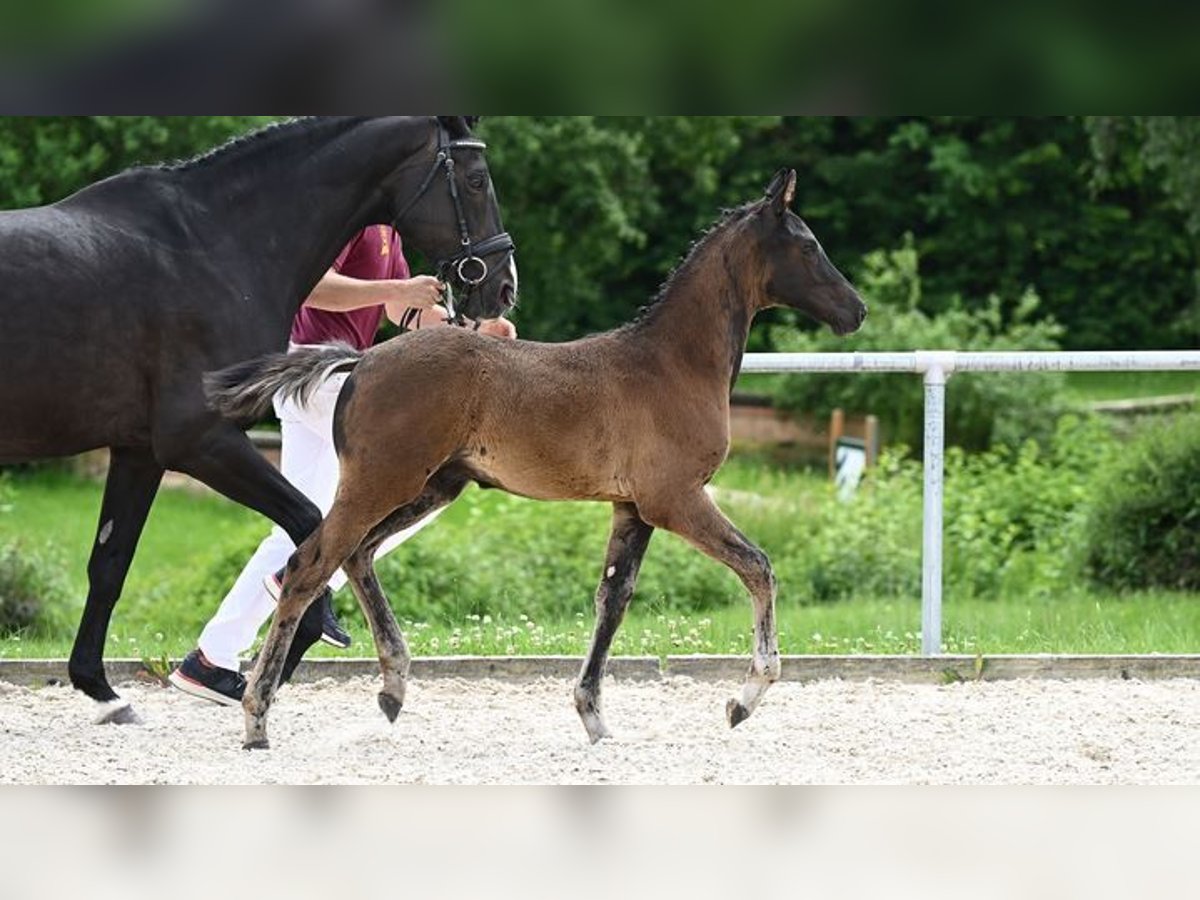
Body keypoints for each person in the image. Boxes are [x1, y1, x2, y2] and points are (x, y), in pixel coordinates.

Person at [169, 225, 516, 705]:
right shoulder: (351, 219)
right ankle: (316, 578)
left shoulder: (387, 233)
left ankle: (209, 661)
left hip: (327, 378)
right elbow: (315, 286)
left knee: (296, 531)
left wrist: (475, 334)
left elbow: (402, 313)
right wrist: (398, 288)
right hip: (322, 373)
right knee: (431, 478)